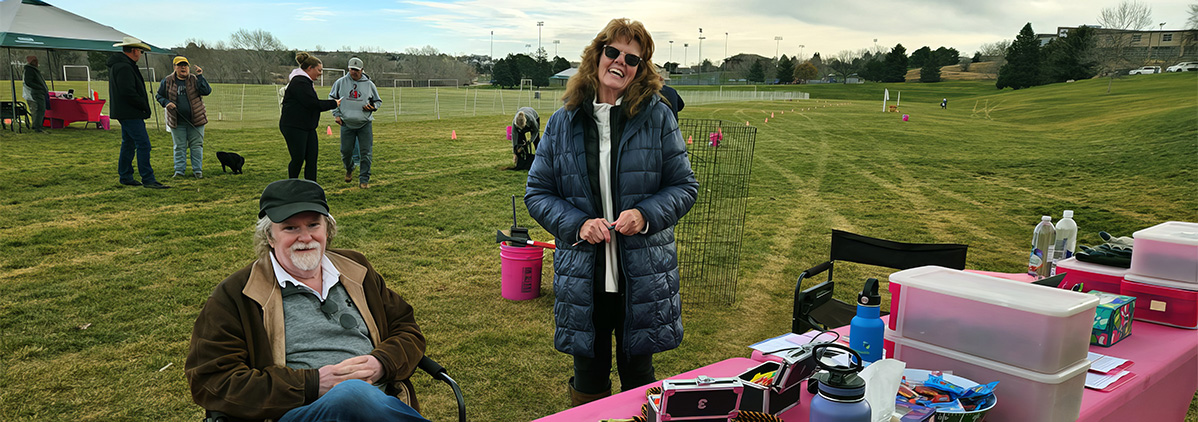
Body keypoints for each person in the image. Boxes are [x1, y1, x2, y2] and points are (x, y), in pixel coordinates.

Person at [524, 18, 699, 406]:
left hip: (642, 274)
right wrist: (578, 224)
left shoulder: (657, 116)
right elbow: (537, 192)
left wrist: (646, 214)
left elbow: (685, 186)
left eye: (632, 58)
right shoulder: (562, 122)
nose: (620, 62)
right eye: (613, 52)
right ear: (597, 55)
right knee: (588, 378)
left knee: (639, 376)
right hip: (584, 275)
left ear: (641, 68)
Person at [185, 179, 430, 422]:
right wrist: (312, 385)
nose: (305, 237)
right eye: (290, 228)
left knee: (356, 395)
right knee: (350, 394)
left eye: (313, 225)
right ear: (270, 237)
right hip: (297, 412)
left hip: (379, 403)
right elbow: (212, 380)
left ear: (328, 230)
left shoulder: (357, 270)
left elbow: (407, 329)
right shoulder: (237, 293)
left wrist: (381, 363)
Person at [108, 37, 169, 189]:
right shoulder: (124, 67)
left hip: (125, 112)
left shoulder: (121, 65)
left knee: (128, 144)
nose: (141, 54)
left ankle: (126, 176)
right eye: (140, 51)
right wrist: (143, 105)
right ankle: (148, 179)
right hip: (130, 112)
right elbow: (128, 92)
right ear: (134, 50)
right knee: (143, 144)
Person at [281, 52, 340, 181]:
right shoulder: (299, 82)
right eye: (319, 70)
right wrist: (334, 103)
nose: (320, 73)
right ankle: (292, 184)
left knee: (312, 158)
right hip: (294, 126)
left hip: (307, 127)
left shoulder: (306, 82)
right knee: (298, 158)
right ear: (309, 68)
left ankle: (311, 186)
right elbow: (312, 104)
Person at [156, 56, 212, 179]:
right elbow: (159, 95)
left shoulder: (194, 79)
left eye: (185, 65)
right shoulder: (167, 81)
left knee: (196, 146)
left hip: (196, 120)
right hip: (177, 121)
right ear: (174, 67)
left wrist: (200, 76)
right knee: (179, 147)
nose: (183, 67)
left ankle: (197, 171)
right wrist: (166, 103)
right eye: (180, 65)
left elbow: (206, 91)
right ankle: (179, 171)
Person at [329, 57, 381, 189]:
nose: (354, 72)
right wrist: (336, 114)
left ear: (362, 70)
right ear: (348, 69)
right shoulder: (340, 82)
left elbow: (377, 101)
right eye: (352, 69)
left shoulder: (369, 84)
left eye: (357, 70)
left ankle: (364, 179)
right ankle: (350, 167)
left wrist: (372, 107)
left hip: (364, 123)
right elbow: (332, 98)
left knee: (366, 153)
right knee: (345, 152)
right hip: (346, 123)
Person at [22, 55, 48, 133]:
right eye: (34, 61)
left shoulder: (33, 69)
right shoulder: (30, 70)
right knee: (40, 109)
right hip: (37, 92)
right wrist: (39, 87)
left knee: (39, 109)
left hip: (39, 92)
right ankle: (38, 127)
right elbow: (28, 82)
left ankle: (37, 125)